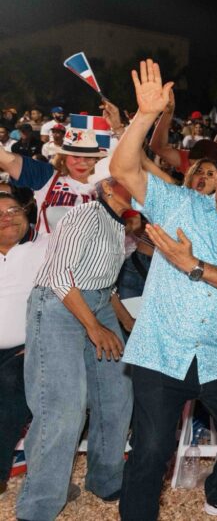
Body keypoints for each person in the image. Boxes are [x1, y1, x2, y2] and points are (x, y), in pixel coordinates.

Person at [112, 60, 217, 521]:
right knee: (151, 450)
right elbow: (123, 168)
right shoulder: (179, 203)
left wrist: (194, 266)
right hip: (161, 348)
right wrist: (146, 115)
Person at [16, 178, 134, 520]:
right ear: (108, 187)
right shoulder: (85, 214)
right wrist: (94, 327)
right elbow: (58, 275)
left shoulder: (119, 224)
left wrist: (126, 321)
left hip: (99, 305)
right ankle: (38, 506)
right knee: (62, 406)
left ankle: (106, 479)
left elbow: (105, 283)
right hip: (58, 304)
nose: (142, 185)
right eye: (132, 180)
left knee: (117, 394)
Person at [0, 192, 46, 498]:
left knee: (10, 380)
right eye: (0, 213)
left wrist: (41, 340)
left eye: (14, 210)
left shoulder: (46, 247)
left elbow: (66, 296)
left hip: (28, 347)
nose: (8, 217)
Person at [1, 123, 105, 239]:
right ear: (64, 157)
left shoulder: (106, 184)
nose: (82, 162)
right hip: (46, 249)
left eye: (89, 157)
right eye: (75, 156)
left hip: (94, 250)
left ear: (96, 159)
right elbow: (5, 159)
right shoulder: (47, 176)